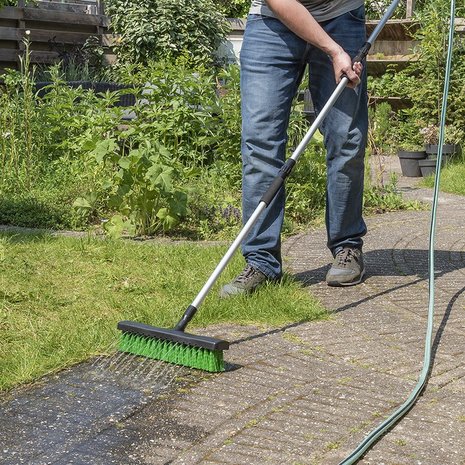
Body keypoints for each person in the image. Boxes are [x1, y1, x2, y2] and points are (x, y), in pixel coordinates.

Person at [220, 0, 368, 297]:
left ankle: (347, 246)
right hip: (272, 21)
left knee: (346, 138)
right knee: (261, 144)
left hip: (341, 15)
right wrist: (334, 50)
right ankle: (261, 261)